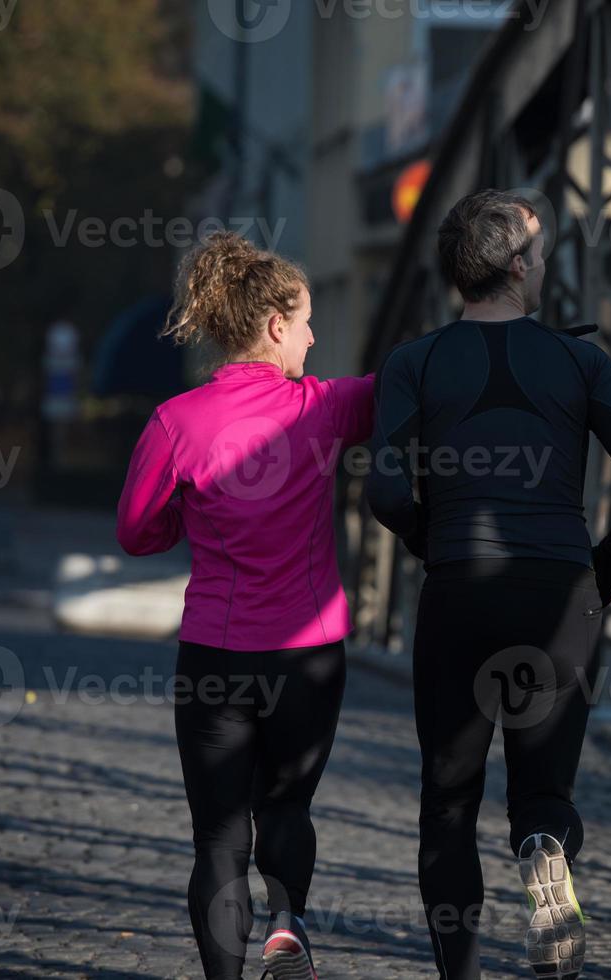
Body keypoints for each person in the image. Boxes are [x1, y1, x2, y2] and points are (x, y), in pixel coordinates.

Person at [366, 189, 611, 979]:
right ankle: (542, 850)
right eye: (537, 256)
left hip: (459, 589)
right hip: (560, 593)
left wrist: (432, 541)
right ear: (518, 266)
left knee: (448, 803)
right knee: (542, 787)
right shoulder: (579, 360)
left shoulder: (413, 362)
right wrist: (607, 557)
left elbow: (386, 493)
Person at [117, 232, 374, 980]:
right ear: (273, 328)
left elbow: (137, 532)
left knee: (218, 836)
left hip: (215, 655)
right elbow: (415, 387)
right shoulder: (324, 409)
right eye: (304, 322)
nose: (313, 336)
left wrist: (186, 520)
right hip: (308, 655)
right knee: (286, 810)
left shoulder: (177, 421)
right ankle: (287, 925)